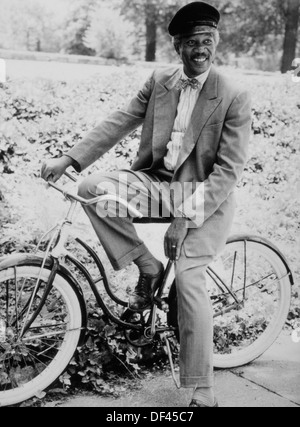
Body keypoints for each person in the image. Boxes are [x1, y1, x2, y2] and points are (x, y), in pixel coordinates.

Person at [41, 1, 252, 408]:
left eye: (206, 41)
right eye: (191, 42)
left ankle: (202, 387)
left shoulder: (234, 95)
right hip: (157, 184)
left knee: (190, 280)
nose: (200, 50)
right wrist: (69, 158)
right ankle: (147, 266)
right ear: (177, 47)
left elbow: (227, 171)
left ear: (216, 41)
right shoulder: (161, 81)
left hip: (205, 198)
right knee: (93, 187)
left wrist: (184, 217)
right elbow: (120, 120)